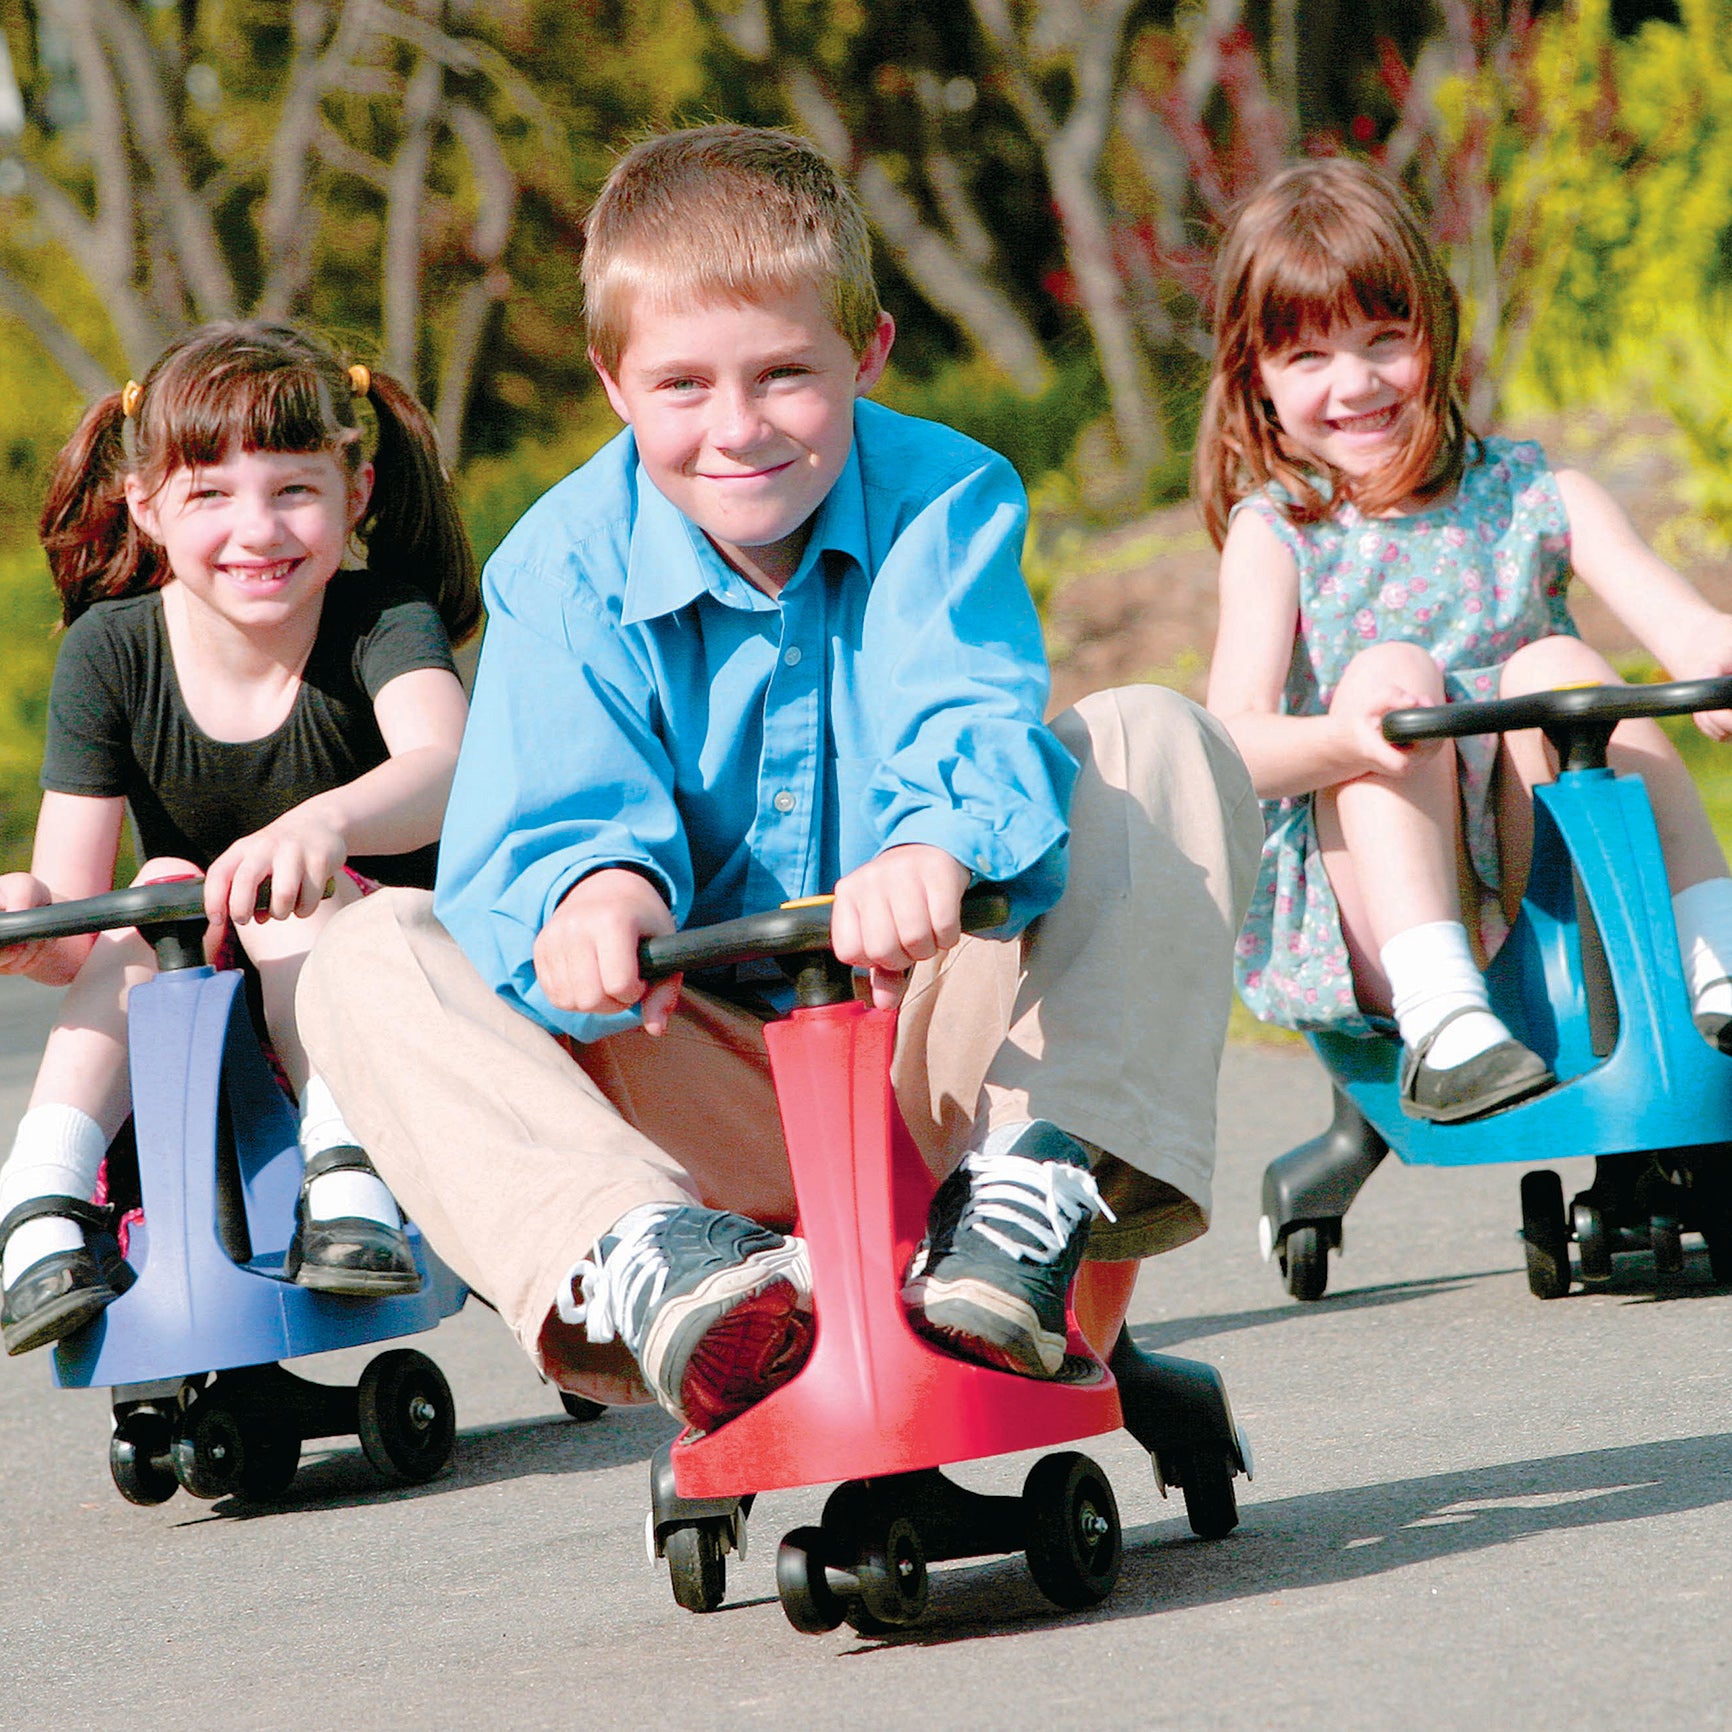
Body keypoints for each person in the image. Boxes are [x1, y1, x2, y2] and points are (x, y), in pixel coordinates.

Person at [298, 122, 1262, 1433]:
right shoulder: (561, 566)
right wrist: (595, 890)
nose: (738, 429)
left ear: (865, 354)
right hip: (690, 1073)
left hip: (933, 1045)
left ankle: (1028, 1195)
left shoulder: (943, 495)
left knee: (1160, 734)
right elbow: (550, 799)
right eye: (684, 385)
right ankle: (657, 1257)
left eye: (785, 376)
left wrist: (933, 848)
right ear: (613, 380)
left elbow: (961, 701)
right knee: (368, 953)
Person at [1200, 156, 1732, 1124]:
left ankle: (1714, 950)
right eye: (1308, 357)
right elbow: (1226, 745)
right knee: (1389, 679)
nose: (1354, 382)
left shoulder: (1535, 495)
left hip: (1547, 886)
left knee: (1560, 670)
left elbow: (1682, 621)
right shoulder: (1276, 536)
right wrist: (1346, 736)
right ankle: (1444, 1022)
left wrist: (1709, 648)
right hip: (1378, 902)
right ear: (1256, 378)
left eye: (1382, 340)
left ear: (1433, 334)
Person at [0, 320, 478, 1355]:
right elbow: (76, 929)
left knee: (288, 892)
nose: (256, 531)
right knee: (161, 886)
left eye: (292, 490)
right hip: (193, 997)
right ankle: (43, 1191)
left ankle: (350, 1161)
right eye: (211, 495)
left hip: (391, 979)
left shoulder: (379, 621)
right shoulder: (112, 651)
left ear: (353, 491)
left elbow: (442, 768)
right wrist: (32, 923)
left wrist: (321, 823)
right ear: (148, 506)